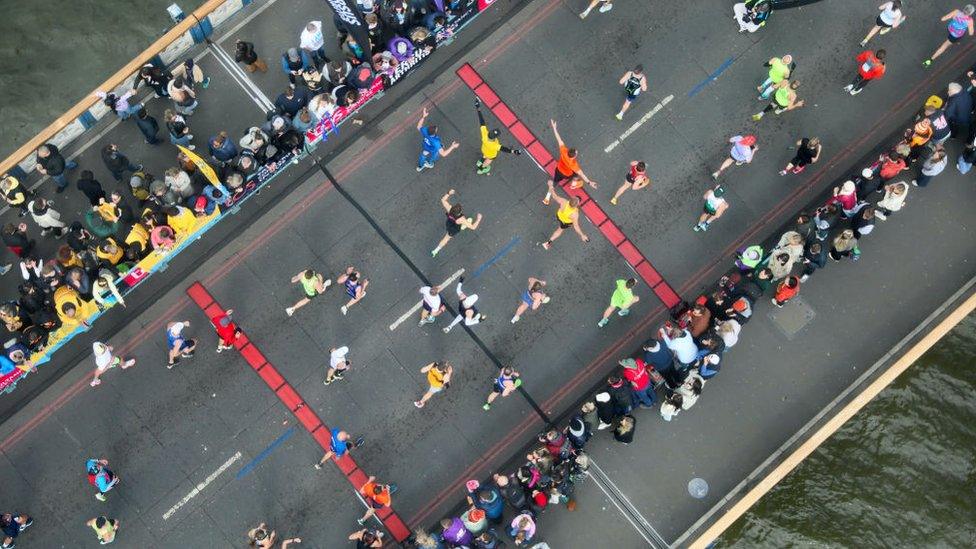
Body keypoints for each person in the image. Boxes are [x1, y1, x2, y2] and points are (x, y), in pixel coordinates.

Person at [544, 119, 597, 204]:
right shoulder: (573, 164)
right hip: (566, 174)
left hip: (558, 170)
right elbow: (581, 174)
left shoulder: (564, 151)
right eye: (576, 153)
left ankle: (547, 198)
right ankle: (573, 184)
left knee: (554, 183)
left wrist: (554, 128)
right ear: (574, 156)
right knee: (576, 174)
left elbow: (559, 139)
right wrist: (589, 182)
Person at [474, 99, 521, 175]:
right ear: (493, 138)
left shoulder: (484, 134)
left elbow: (482, 122)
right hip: (491, 155)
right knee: (488, 162)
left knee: (485, 155)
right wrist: (514, 151)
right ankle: (481, 169)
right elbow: (504, 149)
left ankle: (480, 161)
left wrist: (478, 108)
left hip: (484, 149)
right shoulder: (494, 145)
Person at [431, 189, 482, 257]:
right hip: (454, 229)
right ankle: (435, 251)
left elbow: (443, 200)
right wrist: (478, 219)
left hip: (449, 223)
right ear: (459, 213)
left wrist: (449, 193)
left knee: (465, 222)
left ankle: (462, 226)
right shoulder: (461, 219)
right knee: (446, 238)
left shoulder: (449, 208)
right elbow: (473, 227)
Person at [542, 181, 589, 249]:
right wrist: (582, 235)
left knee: (559, 228)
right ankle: (548, 242)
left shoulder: (563, 201)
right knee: (560, 229)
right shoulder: (575, 214)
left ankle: (548, 243)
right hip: (565, 222)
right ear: (576, 205)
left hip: (559, 215)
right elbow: (576, 226)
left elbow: (554, 196)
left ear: (570, 200)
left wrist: (550, 186)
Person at [416, 107, 460, 172]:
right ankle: (429, 163)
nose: (436, 129)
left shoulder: (425, 130)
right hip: (433, 149)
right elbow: (443, 154)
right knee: (435, 155)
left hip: (425, 146)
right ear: (434, 133)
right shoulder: (436, 142)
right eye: (436, 130)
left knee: (424, 154)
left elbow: (418, 126)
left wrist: (423, 117)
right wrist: (452, 146)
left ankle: (419, 166)